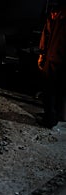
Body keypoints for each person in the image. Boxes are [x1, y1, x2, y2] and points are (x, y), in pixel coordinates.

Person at [38, 0, 66, 128]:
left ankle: (50, 119)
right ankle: (60, 115)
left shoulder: (56, 13)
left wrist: (42, 54)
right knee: (61, 88)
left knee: (50, 88)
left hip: (54, 56)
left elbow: (47, 33)